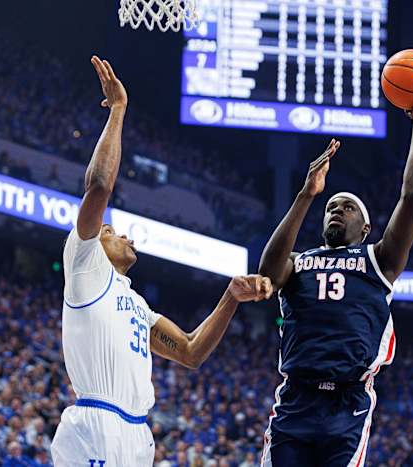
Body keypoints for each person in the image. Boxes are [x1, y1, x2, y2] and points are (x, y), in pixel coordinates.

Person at [50, 56, 273, 466]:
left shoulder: (137, 304)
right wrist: (118, 110)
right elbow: (99, 186)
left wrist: (230, 298)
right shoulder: (84, 263)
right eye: (113, 232)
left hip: (138, 434)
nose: (126, 235)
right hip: (97, 425)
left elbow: (190, 351)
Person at [257, 75, 413, 466]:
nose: (336, 209)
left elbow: (412, 194)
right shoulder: (298, 263)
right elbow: (268, 272)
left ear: (366, 228)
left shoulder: (379, 259)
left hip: (347, 405)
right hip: (296, 400)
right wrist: (306, 195)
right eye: (332, 206)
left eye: (347, 207)